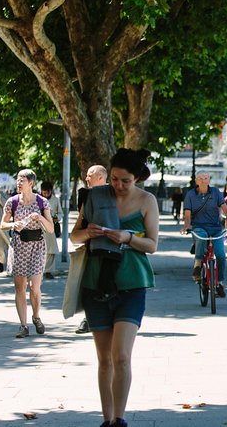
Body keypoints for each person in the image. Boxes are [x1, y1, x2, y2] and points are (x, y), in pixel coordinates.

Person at [70, 148, 159, 427]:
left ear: (137, 179)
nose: (118, 186)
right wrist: (88, 233)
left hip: (132, 283)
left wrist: (127, 237)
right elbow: (74, 237)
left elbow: (152, 245)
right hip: (96, 283)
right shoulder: (95, 196)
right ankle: (106, 419)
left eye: (125, 181)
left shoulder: (147, 200)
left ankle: (119, 419)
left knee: (121, 356)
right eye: (115, 179)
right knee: (104, 359)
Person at [0, 169, 54, 338]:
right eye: (17, 180)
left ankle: (36, 317)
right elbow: (2, 224)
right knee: (20, 287)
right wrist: (13, 225)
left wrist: (39, 218)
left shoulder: (42, 202)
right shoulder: (12, 202)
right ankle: (23, 325)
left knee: (35, 287)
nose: (18, 183)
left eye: (22, 180)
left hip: (37, 246)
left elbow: (51, 229)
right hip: (19, 245)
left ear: (31, 183)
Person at [180, 172, 227, 297]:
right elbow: (187, 215)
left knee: (221, 255)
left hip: (216, 228)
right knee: (202, 237)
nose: (204, 181)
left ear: (209, 180)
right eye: (201, 179)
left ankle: (219, 282)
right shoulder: (190, 195)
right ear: (196, 181)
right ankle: (198, 265)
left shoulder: (216, 192)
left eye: (206, 178)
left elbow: (226, 211)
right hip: (199, 226)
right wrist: (186, 226)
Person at [75, 165, 108, 335]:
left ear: (101, 177)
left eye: (90, 175)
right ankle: (88, 318)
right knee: (89, 283)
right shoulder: (85, 195)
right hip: (91, 245)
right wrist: (85, 234)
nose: (86, 178)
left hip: (111, 246)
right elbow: (77, 229)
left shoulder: (113, 194)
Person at [40, 181, 63, 280]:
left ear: (51, 191)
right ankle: (39, 270)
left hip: (51, 227)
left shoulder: (55, 200)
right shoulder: (37, 199)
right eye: (44, 193)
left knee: (51, 250)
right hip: (39, 227)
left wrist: (56, 218)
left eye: (47, 192)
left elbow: (61, 213)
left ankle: (48, 271)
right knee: (40, 250)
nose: (46, 195)